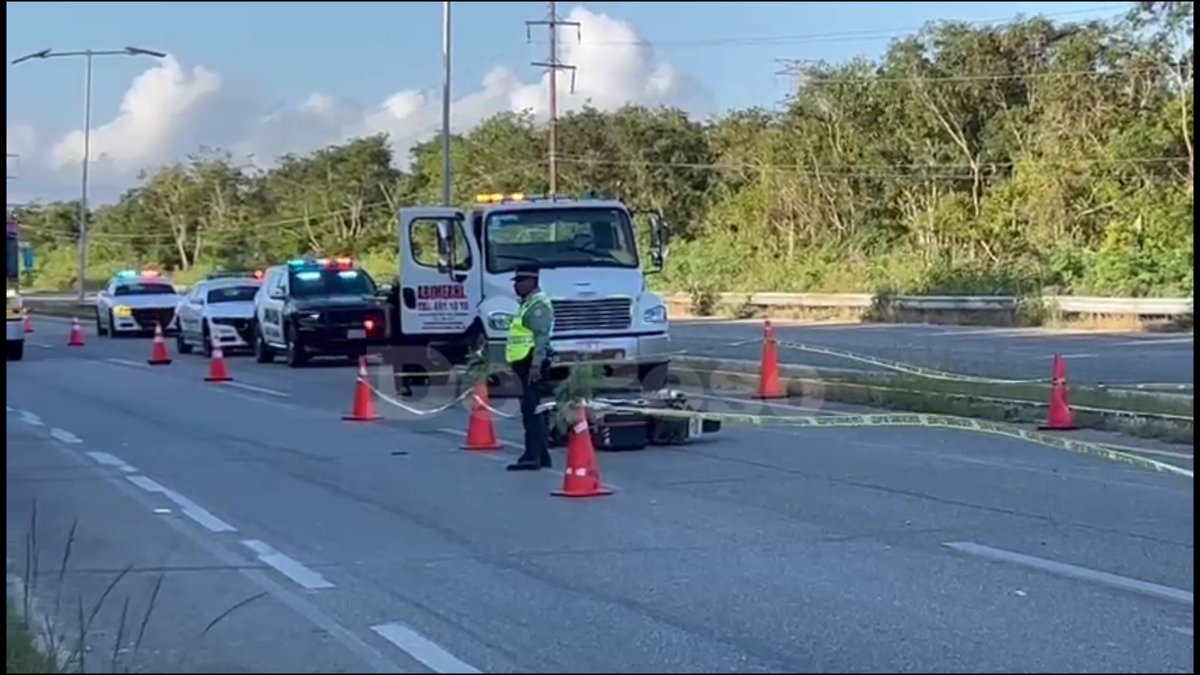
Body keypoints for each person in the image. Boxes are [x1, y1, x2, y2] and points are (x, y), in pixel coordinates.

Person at [505, 264, 554, 471]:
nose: (516, 286)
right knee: (531, 409)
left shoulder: (538, 306)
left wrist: (536, 365)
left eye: (520, 282)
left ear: (532, 282)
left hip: (530, 362)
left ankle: (532, 456)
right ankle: (540, 455)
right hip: (523, 362)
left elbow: (541, 338)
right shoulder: (527, 304)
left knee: (531, 410)